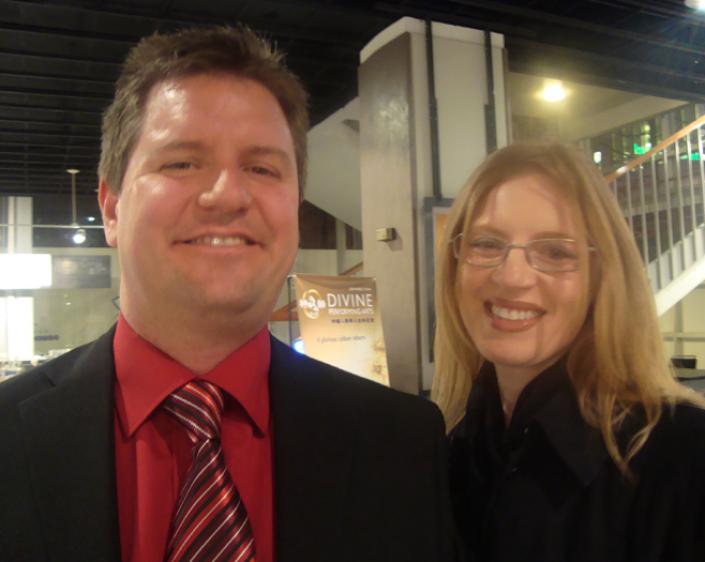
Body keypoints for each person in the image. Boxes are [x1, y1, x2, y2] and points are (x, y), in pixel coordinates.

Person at [0, 26, 455, 562]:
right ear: (112, 206)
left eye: (261, 168)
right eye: (182, 162)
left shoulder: (401, 446)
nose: (228, 195)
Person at [432, 143, 705, 562]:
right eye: (487, 243)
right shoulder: (443, 455)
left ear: (601, 278)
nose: (511, 276)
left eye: (556, 252)